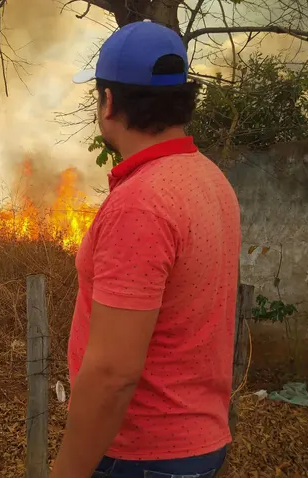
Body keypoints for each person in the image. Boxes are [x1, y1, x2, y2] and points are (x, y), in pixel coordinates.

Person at [50, 20, 242, 478]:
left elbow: (113, 375)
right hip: (197, 443)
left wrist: (67, 471)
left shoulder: (140, 204)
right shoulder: (210, 179)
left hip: (140, 456)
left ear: (108, 101)